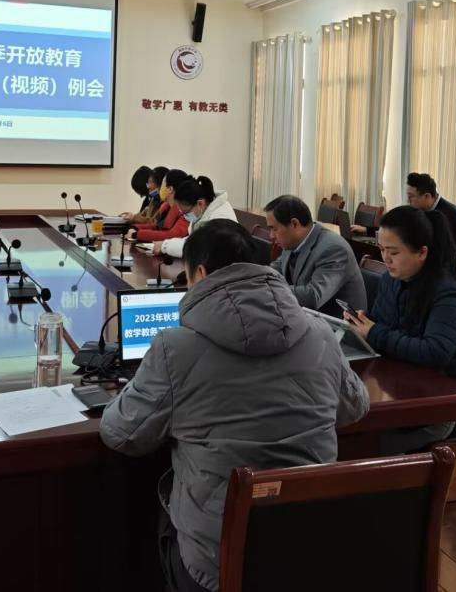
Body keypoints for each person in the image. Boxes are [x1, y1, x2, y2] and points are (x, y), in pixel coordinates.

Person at [100, 220, 370, 592]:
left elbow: (122, 434)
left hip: (217, 567)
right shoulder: (320, 333)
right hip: (308, 550)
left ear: (199, 273)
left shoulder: (174, 348)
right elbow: (355, 407)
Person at [344, 205, 456, 450]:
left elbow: (435, 352)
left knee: (359, 444)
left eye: (394, 252)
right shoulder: (391, 280)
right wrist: (363, 323)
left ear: (422, 252)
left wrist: (375, 332)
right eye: (382, 249)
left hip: (438, 402)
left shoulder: (447, 293)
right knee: (344, 426)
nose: (386, 259)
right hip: (399, 384)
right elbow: (384, 327)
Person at [265, 195, 367, 314]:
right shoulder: (291, 241)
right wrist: (257, 280)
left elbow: (313, 296)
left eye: (274, 229)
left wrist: (270, 289)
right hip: (305, 316)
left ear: (294, 224)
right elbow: (275, 270)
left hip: (336, 322)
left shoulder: (334, 248)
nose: (271, 236)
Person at [157, 176, 237, 258]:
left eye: (186, 212)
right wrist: (166, 244)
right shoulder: (203, 210)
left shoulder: (220, 218)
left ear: (200, 203)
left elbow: (200, 248)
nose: (185, 216)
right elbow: (194, 240)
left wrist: (165, 246)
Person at [133, 169, 191, 244]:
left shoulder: (185, 211)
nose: (160, 189)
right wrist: (134, 228)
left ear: (170, 189)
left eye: (163, 185)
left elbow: (171, 236)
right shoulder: (166, 207)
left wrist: (137, 234)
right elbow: (155, 226)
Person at [406, 172, 456, 240]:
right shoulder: (422, 211)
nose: (408, 201)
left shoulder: (451, 215)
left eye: (411, 197)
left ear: (427, 196)